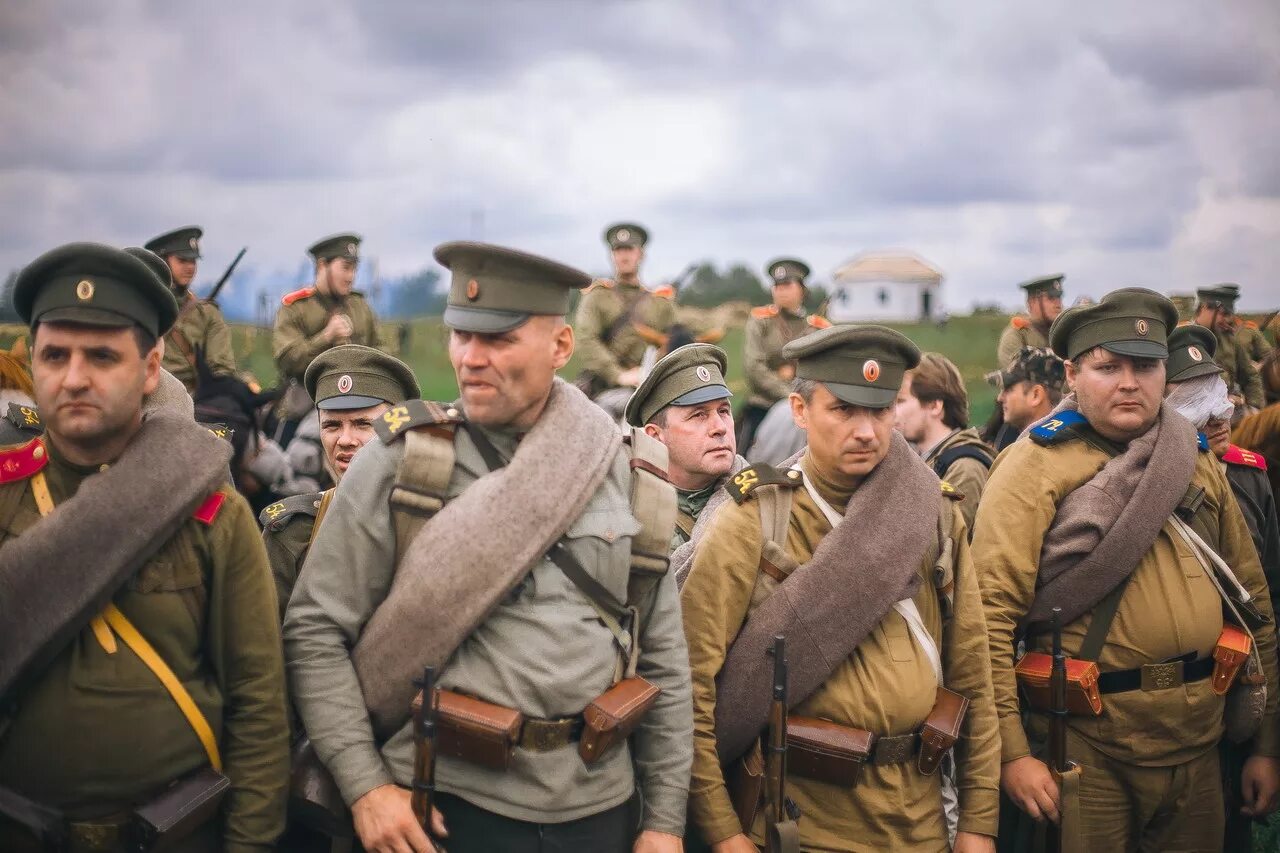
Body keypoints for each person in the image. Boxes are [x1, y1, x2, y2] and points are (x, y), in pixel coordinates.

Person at [284, 241, 692, 853]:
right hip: (443, 805)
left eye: (498, 340)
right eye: (460, 335)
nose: (471, 358)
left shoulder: (629, 471)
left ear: (560, 347)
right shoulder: (406, 461)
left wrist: (663, 822)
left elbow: (661, 659)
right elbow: (315, 629)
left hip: (600, 810)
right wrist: (365, 786)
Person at [0, 242, 288, 852]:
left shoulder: (215, 515)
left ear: (152, 366)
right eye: (55, 355)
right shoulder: (5, 492)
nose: (74, 377)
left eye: (102, 356)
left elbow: (259, 708)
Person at [976, 288, 1280, 851]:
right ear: (1071, 373)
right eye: (1107, 367)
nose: (1128, 382)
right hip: (1087, 749)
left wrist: (1266, 744)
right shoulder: (1032, 467)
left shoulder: (1192, 458)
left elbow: (1252, 601)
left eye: (1145, 366)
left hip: (1199, 738)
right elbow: (990, 621)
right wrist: (1013, 754)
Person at [681, 324, 1000, 852]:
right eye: (843, 410)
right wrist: (722, 833)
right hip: (803, 825)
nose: (867, 432)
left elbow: (974, 672)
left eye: (880, 411)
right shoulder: (755, 520)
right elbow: (692, 682)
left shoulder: (934, 512)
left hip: (921, 820)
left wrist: (978, 822)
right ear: (800, 412)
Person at [260, 344, 420, 622]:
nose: (345, 440)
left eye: (363, 424)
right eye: (332, 425)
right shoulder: (293, 534)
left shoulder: (431, 522)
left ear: (400, 429)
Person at [624, 343, 745, 554]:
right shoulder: (625, 513)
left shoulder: (761, 499)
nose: (720, 428)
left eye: (724, 411)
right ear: (655, 436)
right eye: (699, 415)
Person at [572, 223, 677, 398]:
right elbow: (586, 339)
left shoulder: (660, 302)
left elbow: (674, 341)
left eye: (629, 249)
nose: (624, 255)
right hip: (605, 387)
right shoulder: (597, 296)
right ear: (611, 255)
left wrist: (652, 369)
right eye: (618, 250)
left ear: (641, 254)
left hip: (652, 384)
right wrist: (618, 374)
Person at [738, 258, 830, 454]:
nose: (781, 291)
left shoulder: (817, 326)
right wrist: (788, 395)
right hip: (764, 403)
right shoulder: (761, 321)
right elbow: (753, 367)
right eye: (777, 286)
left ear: (802, 290)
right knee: (744, 458)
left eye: (787, 285)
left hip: (809, 404)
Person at [895, 351, 992, 531]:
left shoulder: (965, 468)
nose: (892, 412)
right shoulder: (924, 459)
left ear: (935, 406)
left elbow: (945, 543)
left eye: (900, 401)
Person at [142, 226, 238, 393]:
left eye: (193, 261)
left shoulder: (206, 313)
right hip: (145, 392)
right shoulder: (142, 305)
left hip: (192, 400)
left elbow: (222, 369)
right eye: (182, 260)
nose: (190, 267)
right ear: (162, 261)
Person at [1194, 284, 1265, 411]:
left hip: (1232, 412)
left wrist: (1254, 407)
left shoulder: (1230, 341)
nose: (1227, 320)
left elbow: (1250, 377)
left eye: (1229, 314)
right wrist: (1223, 399)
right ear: (1205, 307)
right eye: (1223, 314)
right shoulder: (1183, 339)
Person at [985, 347, 1065, 452]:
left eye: (1009, 389)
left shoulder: (1059, 449)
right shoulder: (1008, 434)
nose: (1000, 398)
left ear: (1036, 395)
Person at [997, 274, 1065, 368]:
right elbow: (1015, 376)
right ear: (1032, 302)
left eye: (1059, 297)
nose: (1058, 304)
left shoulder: (1063, 334)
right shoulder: (1017, 335)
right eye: (1051, 298)